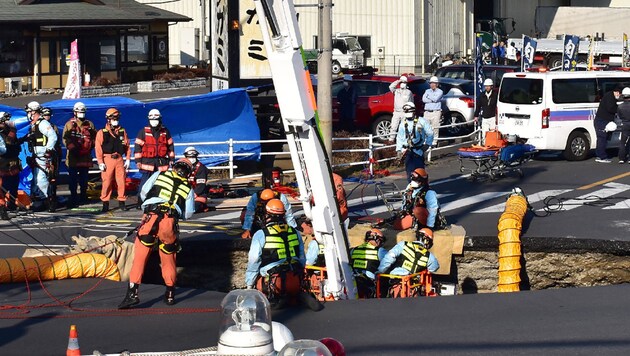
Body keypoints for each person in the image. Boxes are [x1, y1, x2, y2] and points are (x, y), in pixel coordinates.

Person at [118, 158, 195, 309]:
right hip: (169, 223)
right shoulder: (188, 188)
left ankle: (132, 294)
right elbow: (189, 213)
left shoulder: (160, 175)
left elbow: (144, 191)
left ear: (175, 167)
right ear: (188, 173)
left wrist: (147, 207)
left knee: (140, 257)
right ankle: (170, 294)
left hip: (151, 218)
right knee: (168, 258)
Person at [245, 199, 307, 308]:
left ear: (268, 215)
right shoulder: (295, 232)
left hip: (275, 283)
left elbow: (254, 260)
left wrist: (249, 284)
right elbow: (302, 257)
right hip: (295, 280)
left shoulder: (261, 234)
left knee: (258, 277)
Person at [133, 109, 175, 208]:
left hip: (161, 163)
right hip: (147, 163)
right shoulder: (143, 132)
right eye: (152, 119)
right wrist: (138, 161)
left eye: (156, 119)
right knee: (144, 184)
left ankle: (159, 201)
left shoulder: (165, 132)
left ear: (160, 119)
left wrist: (172, 159)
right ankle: (140, 201)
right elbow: (137, 147)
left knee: (161, 183)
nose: (154, 121)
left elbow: (170, 146)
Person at [241, 168, 297, 239]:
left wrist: (293, 230)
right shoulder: (256, 197)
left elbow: (289, 214)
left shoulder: (281, 197)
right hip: (260, 224)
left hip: (278, 225)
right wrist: (247, 229)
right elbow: (249, 213)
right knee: (244, 213)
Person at [95, 108, 131, 212]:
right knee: (107, 182)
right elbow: (98, 148)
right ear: (108, 119)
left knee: (121, 181)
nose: (116, 120)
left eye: (117, 118)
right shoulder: (102, 132)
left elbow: (127, 146)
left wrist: (128, 159)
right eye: (114, 118)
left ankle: (122, 202)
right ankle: (105, 203)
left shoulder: (122, 131)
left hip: (119, 159)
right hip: (107, 159)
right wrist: (100, 162)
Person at [62, 101, 96, 208]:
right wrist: (73, 148)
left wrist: (90, 147)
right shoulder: (69, 125)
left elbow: (95, 138)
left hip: (85, 157)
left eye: (83, 111)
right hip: (73, 157)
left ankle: (83, 196)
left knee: (84, 179)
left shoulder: (89, 124)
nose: (81, 113)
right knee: (72, 179)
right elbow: (65, 139)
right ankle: (73, 197)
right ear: (75, 112)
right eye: (79, 111)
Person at [26, 101, 58, 211]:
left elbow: (53, 136)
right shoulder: (34, 125)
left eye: (29, 112)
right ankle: (39, 200)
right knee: (36, 179)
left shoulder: (43, 124)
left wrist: (48, 150)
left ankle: (46, 202)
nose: (28, 114)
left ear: (34, 112)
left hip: (43, 157)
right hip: (36, 157)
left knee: (41, 179)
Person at [395, 102, 434, 180]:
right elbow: (399, 137)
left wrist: (427, 145)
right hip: (407, 152)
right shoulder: (403, 123)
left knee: (420, 173)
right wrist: (399, 150)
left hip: (418, 151)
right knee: (410, 174)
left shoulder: (422, 121)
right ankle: (412, 189)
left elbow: (430, 133)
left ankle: (422, 189)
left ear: (414, 112)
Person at [350, 228, 387, 298]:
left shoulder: (353, 250)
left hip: (353, 282)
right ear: (378, 240)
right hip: (370, 285)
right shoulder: (380, 251)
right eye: (381, 241)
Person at [0, 112, 21, 220]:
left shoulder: (10, 131)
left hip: (13, 164)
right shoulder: (4, 134)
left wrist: (24, 139)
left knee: (14, 187)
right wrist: (12, 131)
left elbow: (15, 144)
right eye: (4, 121)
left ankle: (12, 206)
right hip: (3, 166)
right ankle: (2, 210)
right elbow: (6, 144)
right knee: (2, 189)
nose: (6, 123)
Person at [40, 107, 61, 212]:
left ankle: (53, 201)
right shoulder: (37, 126)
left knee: (52, 179)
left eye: (48, 115)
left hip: (52, 157)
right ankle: (45, 201)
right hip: (41, 157)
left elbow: (57, 143)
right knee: (41, 180)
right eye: (45, 115)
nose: (47, 117)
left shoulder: (54, 127)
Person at [594, 86, 621, 162]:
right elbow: (611, 108)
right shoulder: (610, 97)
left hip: (602, 120)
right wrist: (619, 109)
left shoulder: (609, 96)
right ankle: (601, 156)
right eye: (619, 94)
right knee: (602, 138)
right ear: (617, 92)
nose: (619, 96)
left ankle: (600, 154)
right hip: (602, 121)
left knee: (603, 139)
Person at [183, 146, 210, 212]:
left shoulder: (201, 168)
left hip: (197, 195)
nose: (191, 159)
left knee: (192, 208)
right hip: (184, 193)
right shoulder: (182, 167)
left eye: (193, 157)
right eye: (189, 157)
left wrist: (193, 195)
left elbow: (201, 185)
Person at [388, 75, 414, 142]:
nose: (403, 84)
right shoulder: (396, 91)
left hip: (405, 112)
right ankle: (391, 140)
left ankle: (403, 141)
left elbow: (411, 102)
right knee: (393, 126)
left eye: (404, 82)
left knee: (404, 127)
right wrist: (399, 80)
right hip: (396, 112)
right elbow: (391, 86)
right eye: (402, 82)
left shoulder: (409, 92)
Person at [474, 78, 498, 145]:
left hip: (493, 117)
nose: (487, 87)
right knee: (484, 133)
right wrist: (476, 115)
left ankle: (492, 145)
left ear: (491, 86)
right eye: (486, 86)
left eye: (488, 86)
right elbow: (478, 106)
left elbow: (498, 106)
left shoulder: (495, 95)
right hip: (485, 117)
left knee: (492, 133)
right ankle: (485, 144)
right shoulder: (482, 95)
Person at [422, 76, 443, 145]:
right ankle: (426, 141)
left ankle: (434, 142)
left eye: (434, 83)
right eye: (431, 83)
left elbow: (436, 99)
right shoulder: (427, 91)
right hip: (427, 112)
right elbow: (424, 100)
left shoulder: (440, 91)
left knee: (435, 128)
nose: (432, 85)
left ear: (437, 84)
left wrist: (428, 96)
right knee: (425, 127)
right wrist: (431, 98)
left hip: (436, 112)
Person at [617, 87, 630, 163]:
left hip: (625, 124)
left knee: (622, 142)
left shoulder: (620, 106)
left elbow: (619, 115)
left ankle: (621, 158)